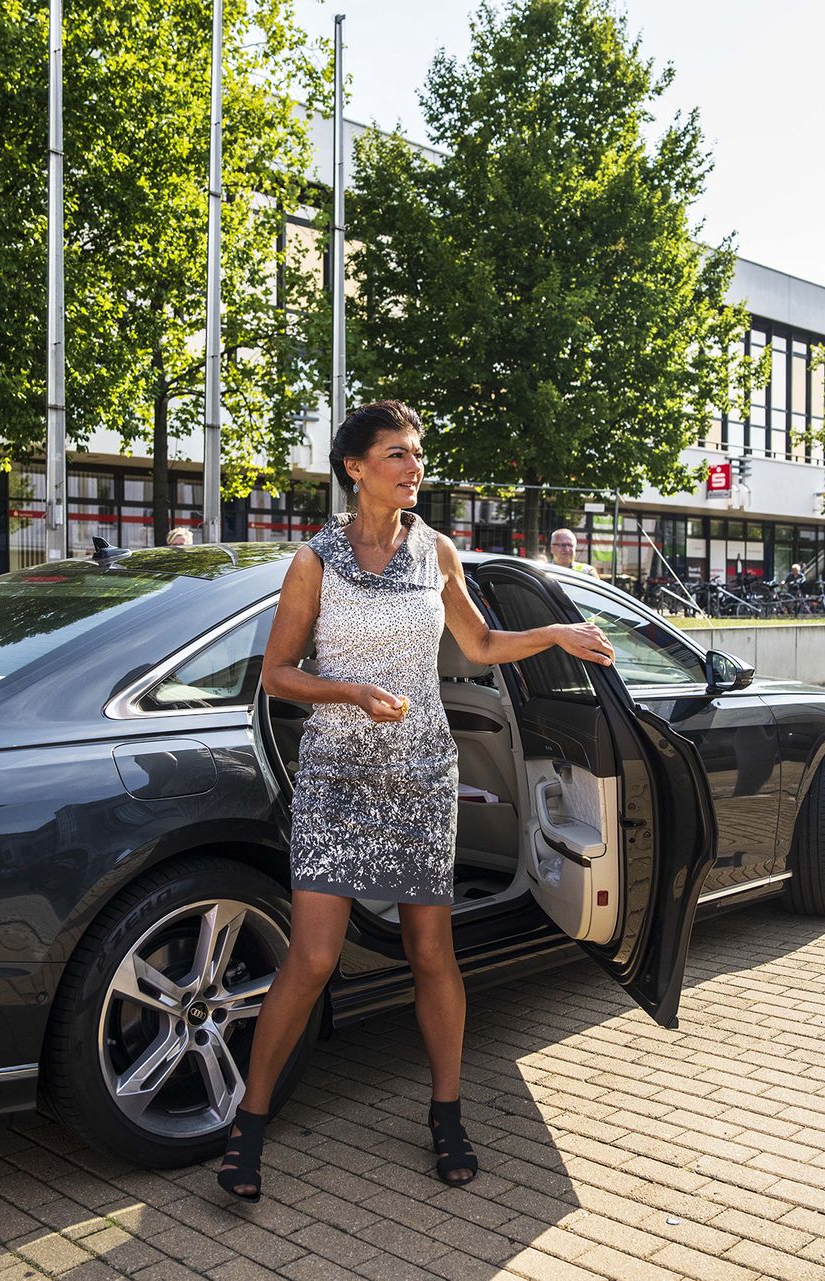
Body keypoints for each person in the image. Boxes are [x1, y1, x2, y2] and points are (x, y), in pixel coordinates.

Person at [215, 400, 615, 1201]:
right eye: (396, 454)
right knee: (316, 956)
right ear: (356, 468)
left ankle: (447, 1112)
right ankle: (248, 1123)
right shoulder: (315, 560)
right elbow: (279, 674)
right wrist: (351, 692)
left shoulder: (437, 551)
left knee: (433, 952)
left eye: (417, 453)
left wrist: (557, 635)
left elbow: (479, 646)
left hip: (422, 773)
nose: (413, 466)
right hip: (336, 776)